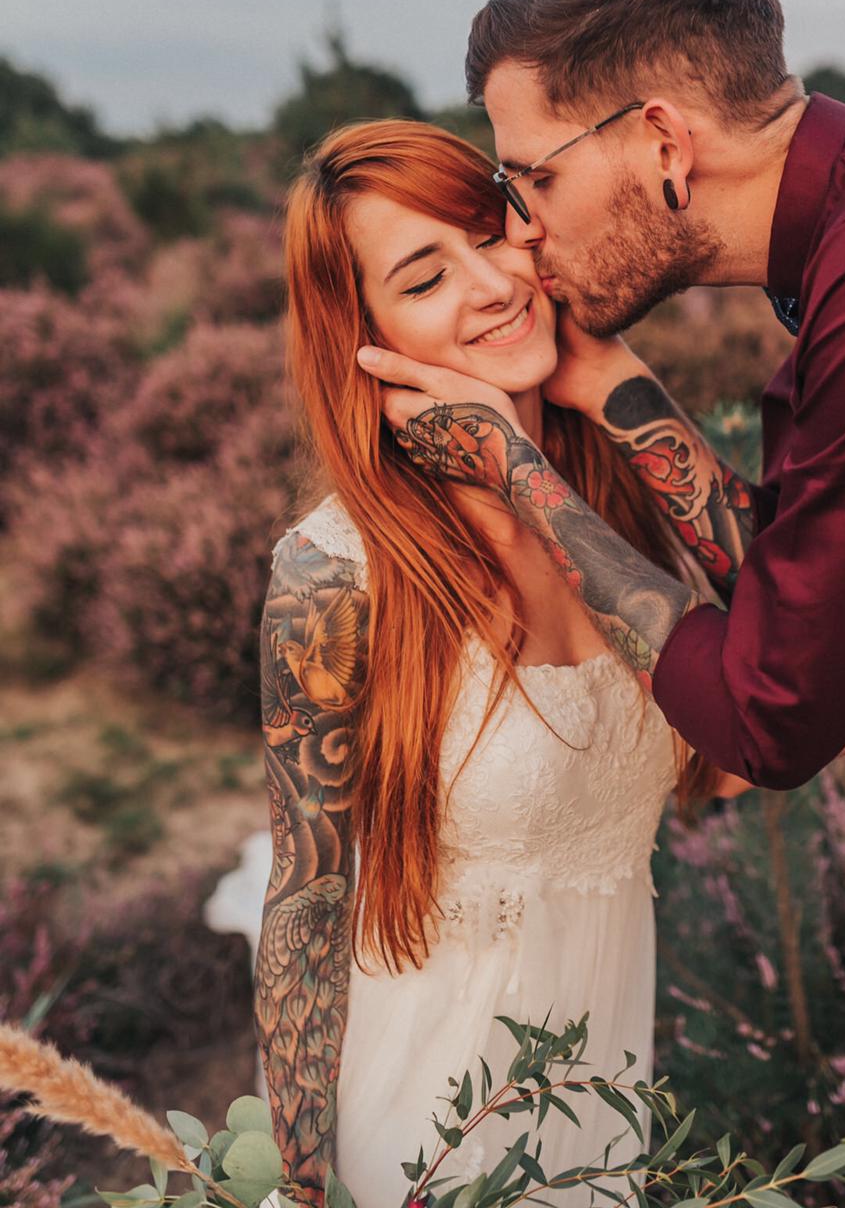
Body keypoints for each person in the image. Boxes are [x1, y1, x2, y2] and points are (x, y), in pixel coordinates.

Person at [358, 0, 845, 1205]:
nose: (522, 231)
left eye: (536, 179)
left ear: (663, 144)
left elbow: (771, 712)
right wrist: (618, 390)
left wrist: (521, 480)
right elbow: (796, 598)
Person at [254, 117, 756, 1208]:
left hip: (605, 1120)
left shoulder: (618, 530)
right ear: (365, 333)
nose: (493, 284)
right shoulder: (336, 572)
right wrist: (296, 1186)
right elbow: (305, 911)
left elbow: (795, 641)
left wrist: (614, 387)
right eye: (427, 276)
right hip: (425, 1137)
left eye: (495, 233)